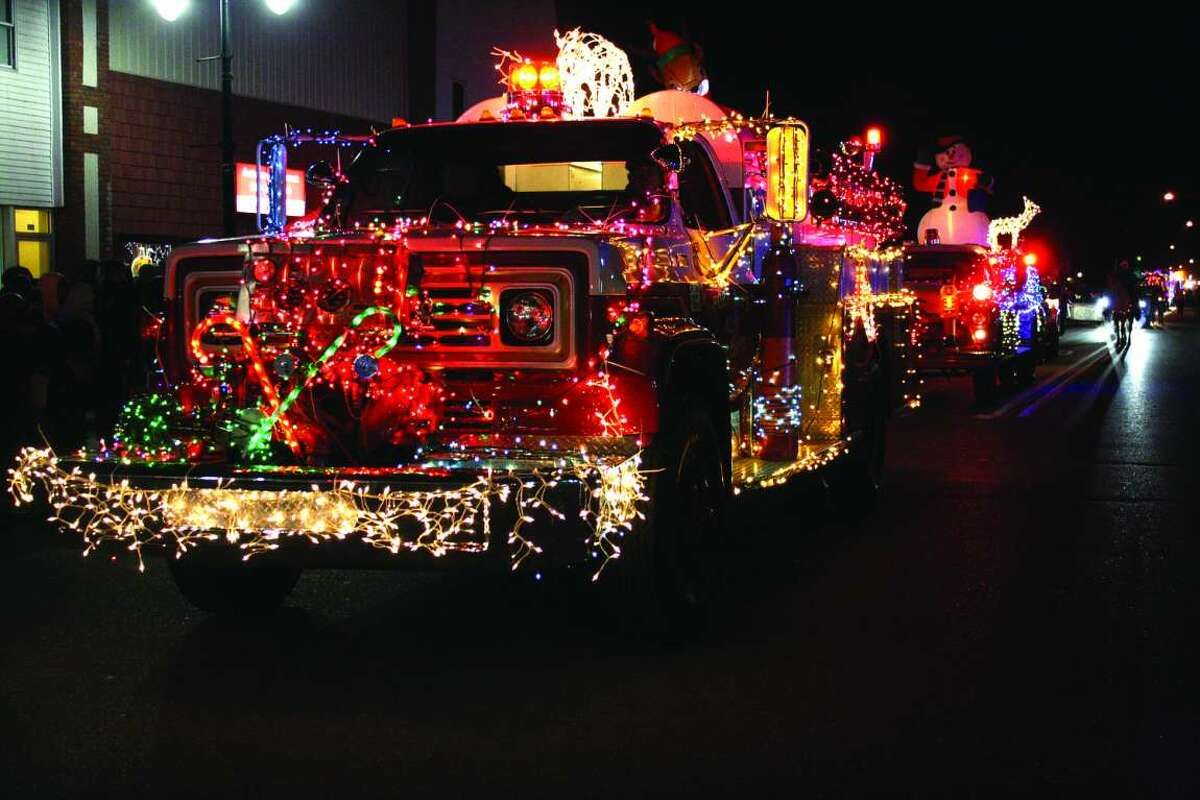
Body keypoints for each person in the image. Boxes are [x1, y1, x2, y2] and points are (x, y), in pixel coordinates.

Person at [1106, 260, 1138, 345]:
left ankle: (1136, 312)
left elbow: (1135, 282)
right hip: (1118, 292)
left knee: (1135, 299)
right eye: (1123, 265)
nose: (1124, 267)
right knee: (1110, 298)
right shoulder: (1117, 274)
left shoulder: (1130, 274)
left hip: (1128, 291)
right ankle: (1108, 313)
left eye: (1125, 265)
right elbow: (1112, 282)